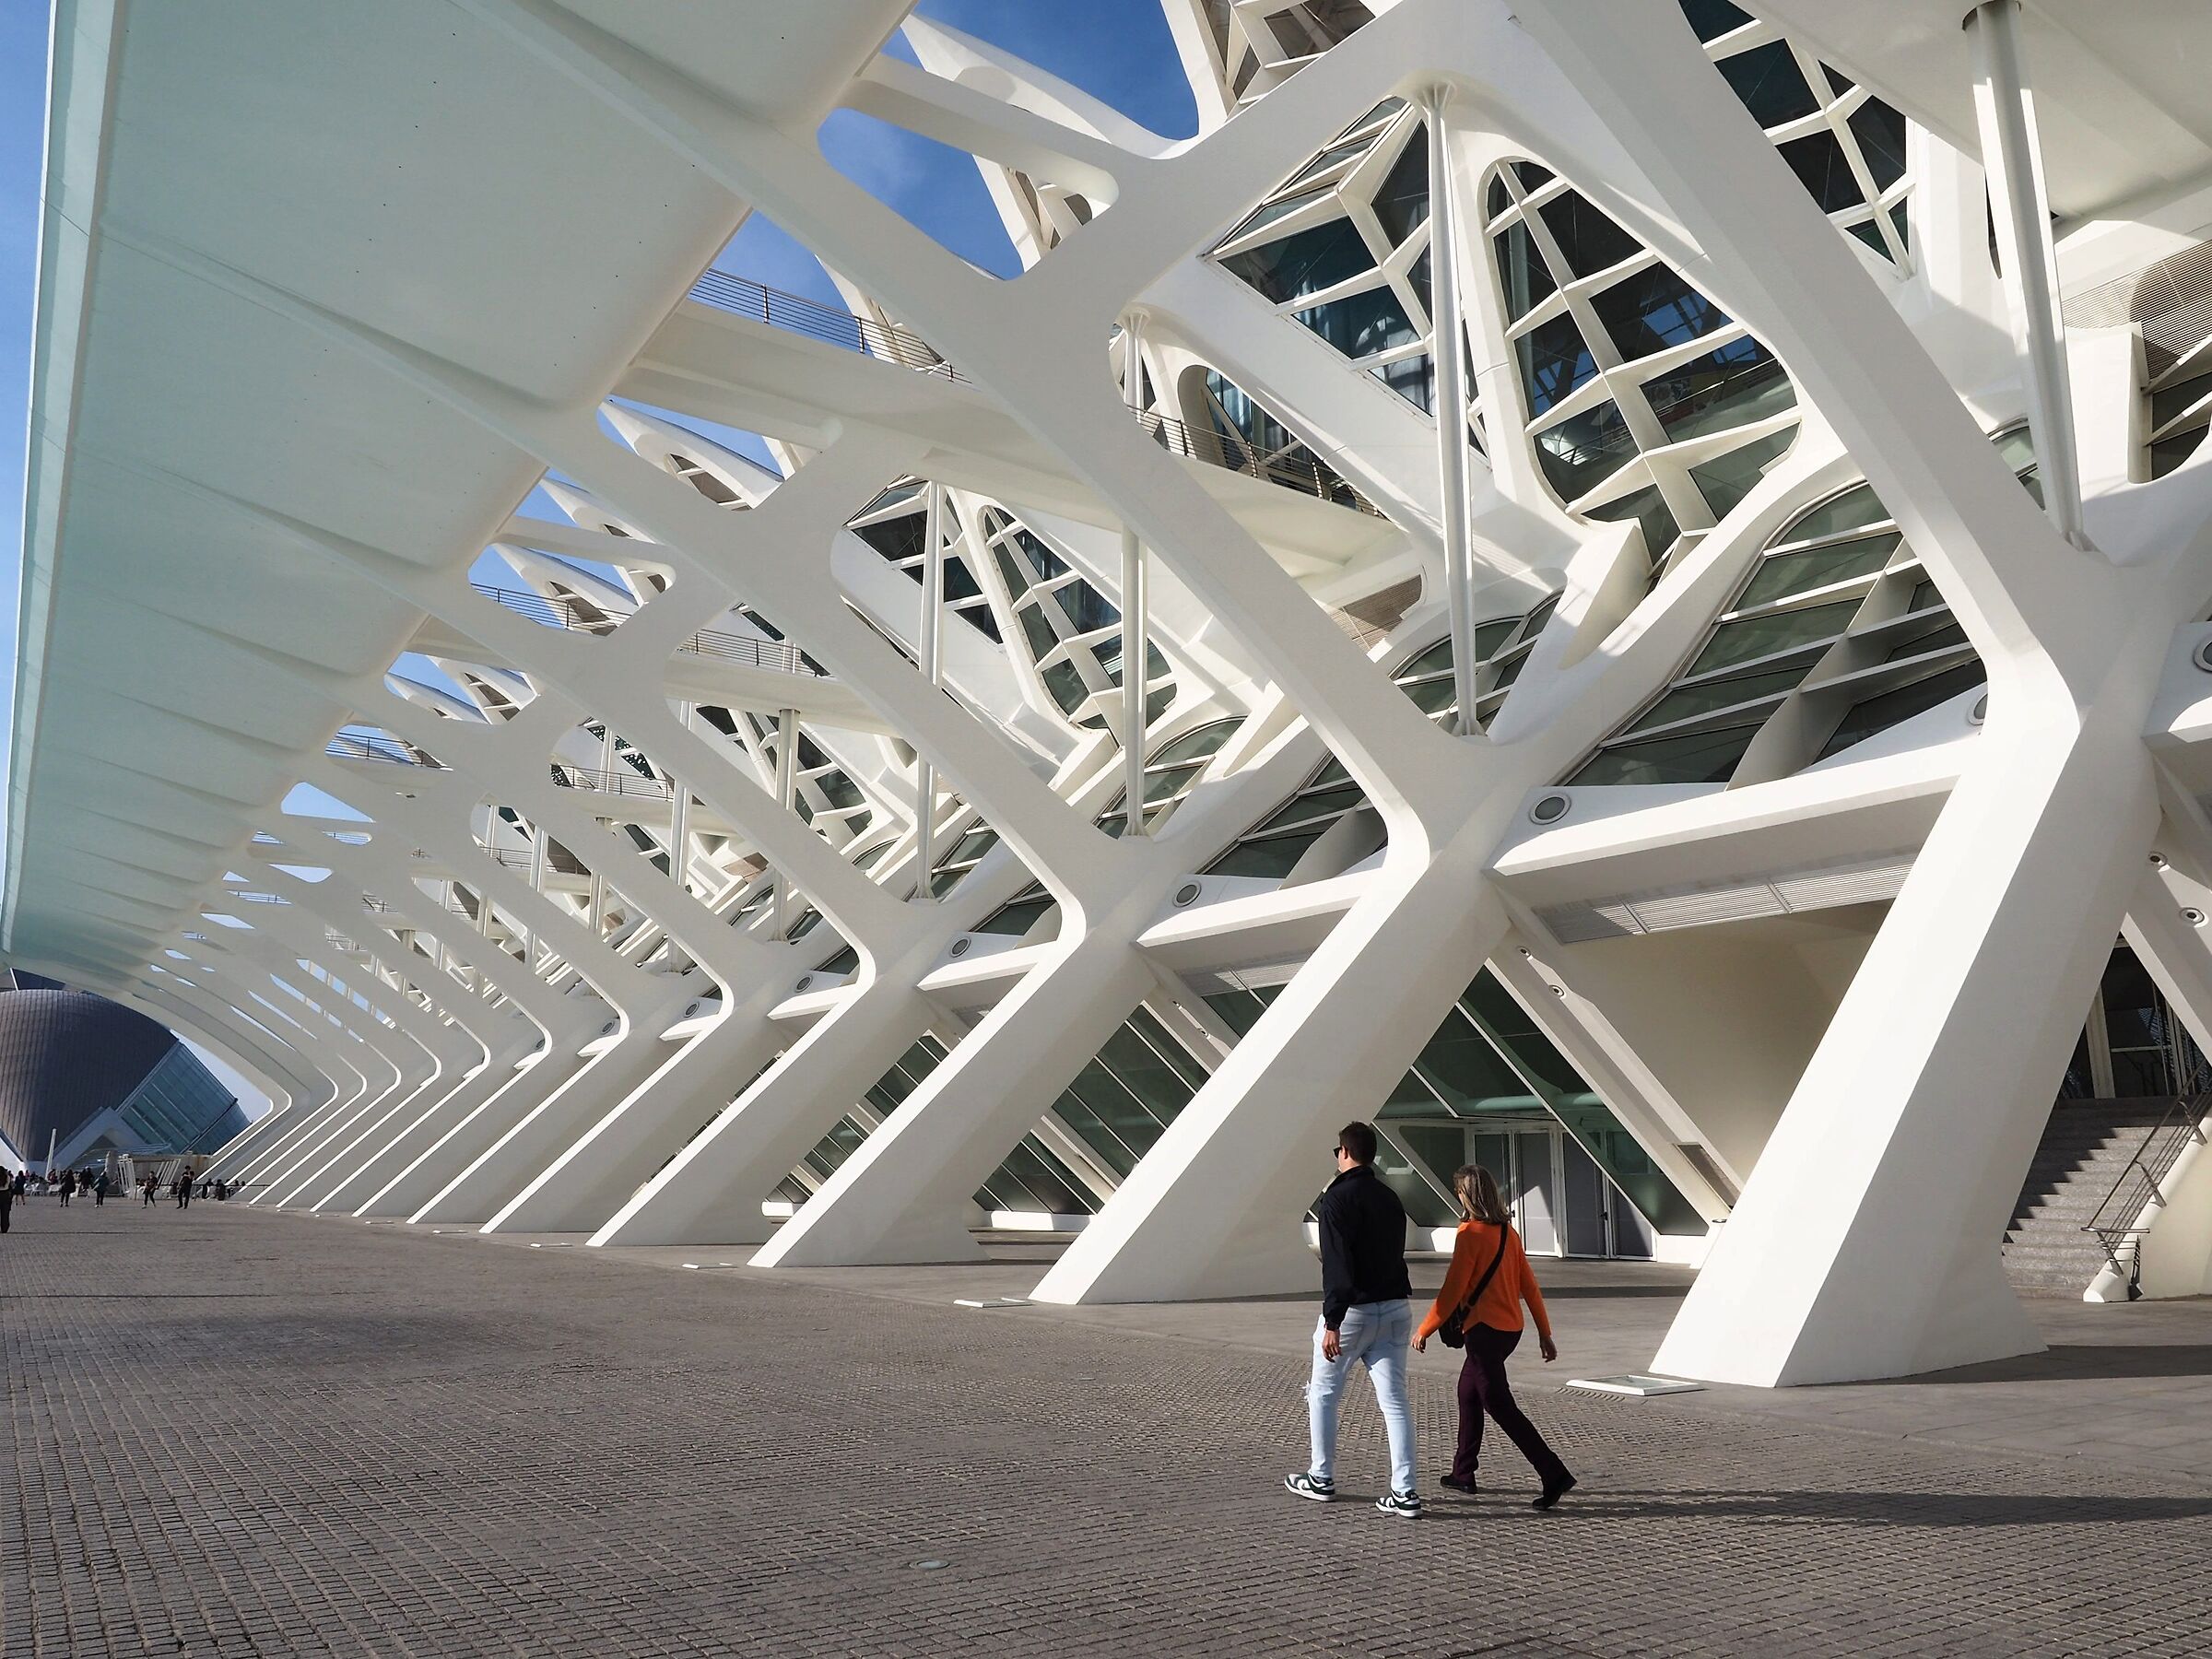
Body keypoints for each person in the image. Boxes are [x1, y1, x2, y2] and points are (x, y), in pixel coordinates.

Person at [1416, 1165, 1576, 1511]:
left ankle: (1554, 1473)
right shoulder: (1507, 1233)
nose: (1457, 1196)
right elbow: (1529, 1286)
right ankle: (1463, 1473)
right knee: (1468, 1392)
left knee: (1499, 1405)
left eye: (1459, 1191)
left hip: (1484, 1333)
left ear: (1467, 1195)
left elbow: (1452, 1291)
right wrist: (1544, 1333)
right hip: (1510, 1331)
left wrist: (1424, 1329)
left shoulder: (1470, 1235)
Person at [1285, 1121, 1419, 1518]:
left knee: (1324, 1394)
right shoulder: (1390, 1197)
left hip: (1354, 1313)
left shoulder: (1336, 1199)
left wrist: (1332, 1321)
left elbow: (1337, 1267)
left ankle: (1321, 1477)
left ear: (1344, 1152)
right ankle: (1405, 1491)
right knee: (1394, 1401)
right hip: (1396, 1308)